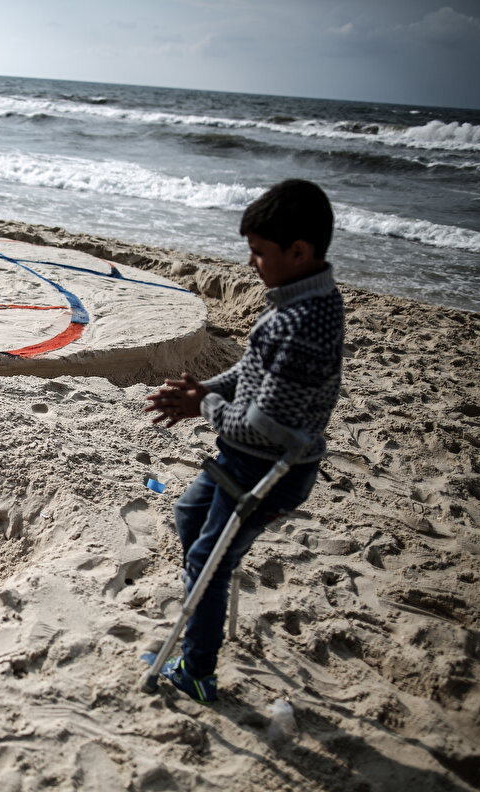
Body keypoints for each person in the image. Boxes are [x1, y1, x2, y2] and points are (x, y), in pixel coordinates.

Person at [143, 179, 343, 705]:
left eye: (259, 253)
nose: (251, 263)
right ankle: (204, 613)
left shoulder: (305, 325)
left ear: (298, 251)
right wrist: (208, 388)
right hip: (241, 459)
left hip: (269, 469)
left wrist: (201, 406)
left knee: (208, 561)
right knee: (190, 520)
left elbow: (265, 425)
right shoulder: (295, 300)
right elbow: (252, 372)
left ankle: (198, 670)